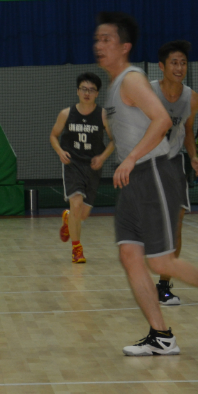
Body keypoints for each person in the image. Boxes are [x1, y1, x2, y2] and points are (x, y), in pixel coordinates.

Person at [94, 12, 198, 355]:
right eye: (97, 39)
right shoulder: (115, 87)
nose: (99, 45)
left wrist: (132, 158)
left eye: (106, 39)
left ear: (124, 46)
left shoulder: (133, 80)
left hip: (153, 171)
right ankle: (161, 336)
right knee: (130, 256)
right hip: (131, 179)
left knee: (161, 263)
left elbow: (163, 121)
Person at [151, 40, 198, 307]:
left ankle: (164, 286)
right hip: (146, 164)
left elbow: (188, 130)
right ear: (162, 66)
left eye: (183, 63)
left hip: (173, 163)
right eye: (174, 62)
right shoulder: (146, 93)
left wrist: (193, 156)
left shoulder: (192, 98)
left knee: (176, 223)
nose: (179, 67)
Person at [50, 71, 114, 264]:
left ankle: (68, 217)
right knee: (76, 203)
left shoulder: (103, 115)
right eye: (84, 89)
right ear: (77, 91)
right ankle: (77, 249)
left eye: (91, 90)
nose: (87, 93)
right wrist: (60, 151)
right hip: (73, 164)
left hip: (92, 167)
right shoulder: (66, 114)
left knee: (82, 214)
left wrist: (102, 157)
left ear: (97, 93)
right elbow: (53, 135)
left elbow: (114, 140)